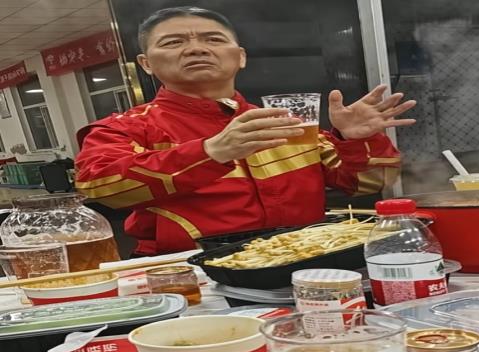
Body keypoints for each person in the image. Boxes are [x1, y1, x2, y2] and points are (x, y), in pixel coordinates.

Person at [75, 6, 416, 256]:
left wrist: (355, 140)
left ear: (240, 57)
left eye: (212, 39)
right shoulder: (127, 127)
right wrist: (210, 153)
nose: (196, 48)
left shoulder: (286, 124)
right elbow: (101, 185)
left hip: (304, 259)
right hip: (189, 272)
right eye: (173, 42)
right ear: (146, 63)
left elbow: (368, 184)